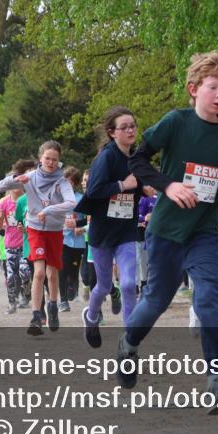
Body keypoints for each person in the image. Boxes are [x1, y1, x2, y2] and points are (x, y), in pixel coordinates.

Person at [122, 51, 218, 414]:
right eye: (212, 87)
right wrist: (168, 186)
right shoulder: (176, 122)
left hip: (204, 230)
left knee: (209, 294)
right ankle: (128, 343)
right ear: (194, 89)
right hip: (166, 231)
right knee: (156, 301)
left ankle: (216, 377)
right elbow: (137, 160)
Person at [76, 106, 142, 349]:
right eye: (124, 127)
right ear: (112, 132)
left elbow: (141, 180)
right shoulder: (106, 157)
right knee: (103, 286)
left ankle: (129, 341)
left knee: (127, 284)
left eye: (133, 126)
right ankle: (91, 317)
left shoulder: (136, 157)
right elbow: (93, 191)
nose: (130, 130)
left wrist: (145, 187)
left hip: (126, 230)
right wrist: (122, 185)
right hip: (103, 232)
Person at [0, 141, 76, 336]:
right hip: (35, 230)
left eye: (54, 160)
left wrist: (48, 210)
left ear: (59, 161)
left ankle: (53, 306)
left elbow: (71, 203)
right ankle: (36, 316)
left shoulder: (62, 182)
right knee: (38, 273)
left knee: (52, 274)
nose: (50, 162)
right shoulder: (30, 177)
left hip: (55, 230)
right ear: (40, 158)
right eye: (47, 158)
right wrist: (16, 179)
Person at [0, 159, 34, 314]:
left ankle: (26, 293)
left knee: (25, 272)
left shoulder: (27, 200)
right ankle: (12, 303)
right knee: (11, 276)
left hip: (25, 244)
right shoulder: (4, 202)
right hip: (10, 244)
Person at [61, 166, 87, 312]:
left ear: (75, 183)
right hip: (61, 238)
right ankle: (63, 300)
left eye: (69, 182)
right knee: (62, 267)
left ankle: (72, 285)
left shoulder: (80, 199)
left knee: (73, 270)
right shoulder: (57, 198)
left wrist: (79, 226)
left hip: (76, 240)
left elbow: (87, 219)